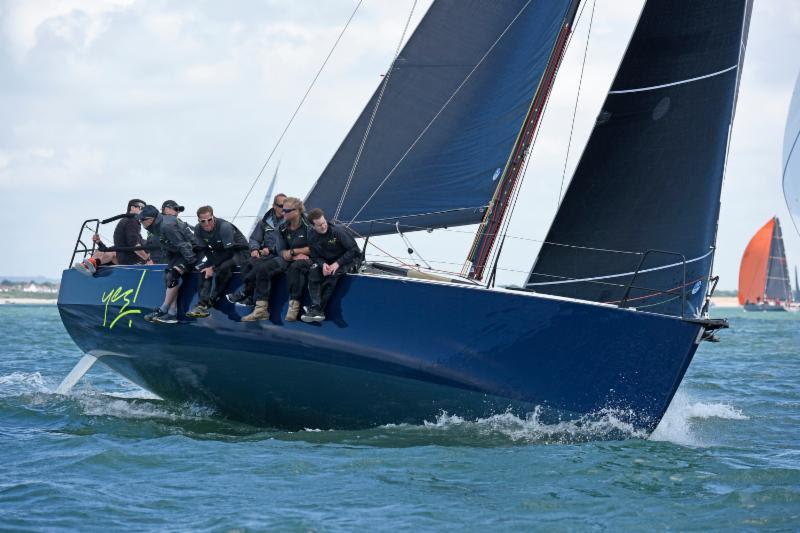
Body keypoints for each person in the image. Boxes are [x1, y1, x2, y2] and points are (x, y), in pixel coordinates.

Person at [138, 205, 197, 324]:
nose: (140, 222)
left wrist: (191, 263)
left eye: (142, 219)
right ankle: (172, 313)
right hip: (179, 252)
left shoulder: (166, 226)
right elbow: (168, 245)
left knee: (173, 275)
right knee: (167, 275)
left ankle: (163, 309)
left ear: (150, 219)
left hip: (194, 249)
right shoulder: (155, 225)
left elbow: (183, 245)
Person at [186, 206, 249, 318]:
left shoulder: (224, 227)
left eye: (209, 219)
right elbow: (205, 249)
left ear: (213, 217)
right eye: (203, 221)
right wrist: (210, 265)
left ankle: (213, 298)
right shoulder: (198, 229)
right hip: (220, 251)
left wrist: (213, 267)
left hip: (239, 251)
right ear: (199, 221)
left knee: (224, 267)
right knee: (203, 269)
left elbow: (229, 253)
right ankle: (201, 305)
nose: (207, 223)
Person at [301, 209, 360, 323]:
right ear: (313, 226)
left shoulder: (337, 231)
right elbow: (314, 256)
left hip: (348, 259)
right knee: (313, 273)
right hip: (327, 261)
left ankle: (318, 310)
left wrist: (337, 264)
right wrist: (323, 265)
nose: (323, 226)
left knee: (332, 275)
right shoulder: (311, 236)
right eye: (319, 225)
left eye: (324, 223)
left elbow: (354, 250)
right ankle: (315, 305)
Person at [228, 193, 286, 307]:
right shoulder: (264, 221)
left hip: (280, 255)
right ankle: (249, 297)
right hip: (266, 254)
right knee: (247, 263)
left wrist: (271, 249)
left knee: (260, 267)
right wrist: (254, 249)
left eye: (286, 205)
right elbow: (254, 238)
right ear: (274, 206)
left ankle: (244, 292)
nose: (284, 208)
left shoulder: (290, 221)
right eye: (280, 205)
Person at [73, 198, 150, 275]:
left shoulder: (124, 221)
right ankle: (89, 265)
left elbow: (129, 243)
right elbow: (134, 244)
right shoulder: (132, 221)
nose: (143, 212)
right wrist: (147, 259)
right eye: (141, 208)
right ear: (132, 208)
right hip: (132, 260)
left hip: (126, 257)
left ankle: (89, 265)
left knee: (109, 251)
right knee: (104, 251)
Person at [276, 197, 312, 322]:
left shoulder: (309, 224)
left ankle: (294, 306)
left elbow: (316, 247)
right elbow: (280, 250)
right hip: (293, 258)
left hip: (314, 259)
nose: (282, 213)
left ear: (297, 211)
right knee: (264, 266)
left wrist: (294, 252)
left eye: (286, 210)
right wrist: (291, 254)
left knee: (295, 267)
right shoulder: (282, 227)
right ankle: (259, 305)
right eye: (282, 209)